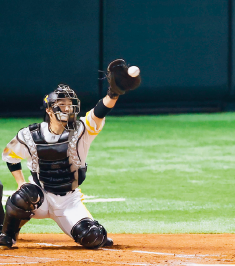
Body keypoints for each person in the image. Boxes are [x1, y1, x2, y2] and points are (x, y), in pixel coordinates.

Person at [0, 59, 141, 249]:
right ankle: (8, 234)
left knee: (93, 237)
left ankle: (91, 231)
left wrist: (114, 94)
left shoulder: (82, 130)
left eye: (69, 104)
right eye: (61, 104)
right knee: (24, 195)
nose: (67, 108)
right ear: (49, 110)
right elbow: (10, 156)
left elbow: (99, 112)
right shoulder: (30, 135)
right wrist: (19, 182)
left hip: (68, 201)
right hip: (39, 196)